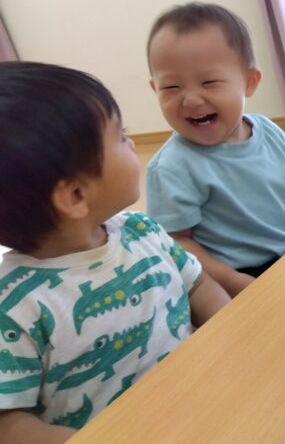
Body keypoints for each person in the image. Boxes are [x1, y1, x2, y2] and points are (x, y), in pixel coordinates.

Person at [0, 62, 229, 441]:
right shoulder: (16, 307)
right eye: (120, 136)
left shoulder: (143, 231)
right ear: (75, 195)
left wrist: (232, 333)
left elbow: (199, 286)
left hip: (201, 404)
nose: (133, 142)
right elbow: (9, 423)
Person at [145, 3, 285, 298]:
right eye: (172, 87)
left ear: (249, 82)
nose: (190, 100)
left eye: (209, 82)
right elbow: (177, 242)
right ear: (155, 89)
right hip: (234, 277)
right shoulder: (172, 166)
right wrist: (230, 279)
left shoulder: (271, 132)